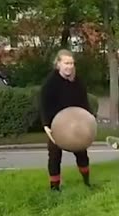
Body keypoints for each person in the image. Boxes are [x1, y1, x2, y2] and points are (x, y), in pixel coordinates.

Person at [40, 49, 92, 191]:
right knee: (55, 155)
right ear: (58, 64)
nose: (69, 66)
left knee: (82, 152)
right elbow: (44, 104)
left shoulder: (77, 81)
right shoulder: (50, 83)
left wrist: (89, 119)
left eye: (71, 63)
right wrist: (46, 125)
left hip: (76, 124)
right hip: (56, 126)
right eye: (66, 63)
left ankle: (87, 182)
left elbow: (84, 102)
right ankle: (54, 188)